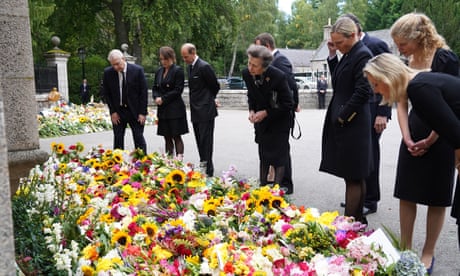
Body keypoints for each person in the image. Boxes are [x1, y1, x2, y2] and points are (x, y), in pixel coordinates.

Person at [363, 53, 460, 274]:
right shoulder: (414, 85)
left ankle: (428, 252)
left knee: (445, 202)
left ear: (387, 77)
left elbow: (454, 131)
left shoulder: (419, 87)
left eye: (376, 84)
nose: (376, 91)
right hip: (441, 136)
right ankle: (405, 250)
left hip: (446, 140)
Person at [389, 12, 459, 271]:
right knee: (406, 193)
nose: (399, 48)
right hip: (414, 131)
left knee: (436, 196)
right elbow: (401, 101)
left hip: (443, 134)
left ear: (418, 37)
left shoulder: (445, 58)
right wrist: (407, 136)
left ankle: (428, 253)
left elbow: (453, 104)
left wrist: (431, 140)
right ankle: (404, 249)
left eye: (402, 43)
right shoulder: (408, 59)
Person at [319, 17, 373, 224]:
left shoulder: (362, 55)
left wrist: (343, 117)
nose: (338, 47)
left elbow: (363, 91)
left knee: (353, 175)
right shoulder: (350, 53)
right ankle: (358, 221)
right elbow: (340, 80)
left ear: (353, 35)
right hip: (348, 122)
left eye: (340, 43)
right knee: (354, 175)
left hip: (353, 123)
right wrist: (332, 55)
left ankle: (349, 223)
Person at [340, 13, 392, 216]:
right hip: (359, 111)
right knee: (360, 156)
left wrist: (383, 112)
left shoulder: (375, 44)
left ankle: (370, 199)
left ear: (355, 28)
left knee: (370, 154)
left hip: (373, 109)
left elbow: (388, 77)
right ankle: (359, 196)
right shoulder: (348, 49)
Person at [242, 44, 293, 188]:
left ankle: (277, 190)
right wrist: (251, 110)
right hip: (262, 123)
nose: (250, 68)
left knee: (279, 157)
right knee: (264, 155)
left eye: (255, 66)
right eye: (249, 63)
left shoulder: (278, 76)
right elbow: (251, 95)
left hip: (279, 120)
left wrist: (266, 113)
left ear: (265, 66)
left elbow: (288, 103)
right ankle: (263, 188)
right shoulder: (247, 74)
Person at [254, 32, 299, 195]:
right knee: (269, 150)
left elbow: (292, 86)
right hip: (267, 115)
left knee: (281, 151)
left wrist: (295, 104)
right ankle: (272, 181)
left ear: (266, 47)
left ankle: (285, 184)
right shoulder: (264, 63)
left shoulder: (280, 61)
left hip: (279, 114)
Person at [180, 43, 220, 176]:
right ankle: (203, 164)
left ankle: (208, 170)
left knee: (206, 141)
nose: (184, 60)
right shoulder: (191, 67)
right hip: (195, 110)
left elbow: (215, 85)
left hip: (206, 110)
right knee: (199, 140)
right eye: (183, 57)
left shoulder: (204, 66)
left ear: (193, 53)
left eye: (186, 57)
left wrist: (209, 99)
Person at [102, 49, 148, 153]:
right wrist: (113, 112)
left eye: (117, 64)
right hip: (118, 111)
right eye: (113, 65)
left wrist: (142, 113)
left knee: (138, 138)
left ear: (123, 59)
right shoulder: (108, 73)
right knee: (118, 138)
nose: (115, 67)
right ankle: (118, 164)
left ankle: (143, 163)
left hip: (135, 111)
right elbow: (107, 94)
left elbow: (143, 93)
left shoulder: (137, 70)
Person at [152, 46, 189, 160]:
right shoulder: (159, 71)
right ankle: (169, 159)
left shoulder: (178, 71)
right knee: (166, 136)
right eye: (161, 59)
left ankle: (179, 159)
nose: (163, 62)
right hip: (163, 110)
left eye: (165, 59)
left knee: (176, 136)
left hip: (175, 109)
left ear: (171, 58)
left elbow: (178, 90)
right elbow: (155, 87)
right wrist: (156, 97)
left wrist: (163, 98)